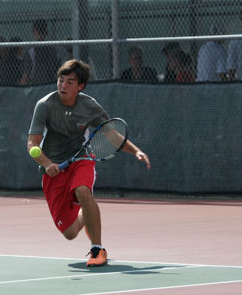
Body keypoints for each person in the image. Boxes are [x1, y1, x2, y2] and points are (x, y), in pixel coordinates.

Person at [27, 59, 151, 267]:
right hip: (54, 169)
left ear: (80, 86)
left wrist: (136, 151)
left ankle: (97, 249)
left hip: (82, 158)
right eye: (61, 80)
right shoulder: (45, 105)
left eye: (69, 82)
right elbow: (33, 143)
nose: (63, 86)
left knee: (83, 190)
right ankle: (87, 210)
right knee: (69, 233)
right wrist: (47, 163)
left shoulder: (89, 106)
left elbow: (111, 134)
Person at [26, 19, 60, 84]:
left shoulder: (30, 51)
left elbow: (26, 75)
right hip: (50, 84)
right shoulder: (53, 50)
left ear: (34, 31)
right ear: (47, 32)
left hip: (36, 85)